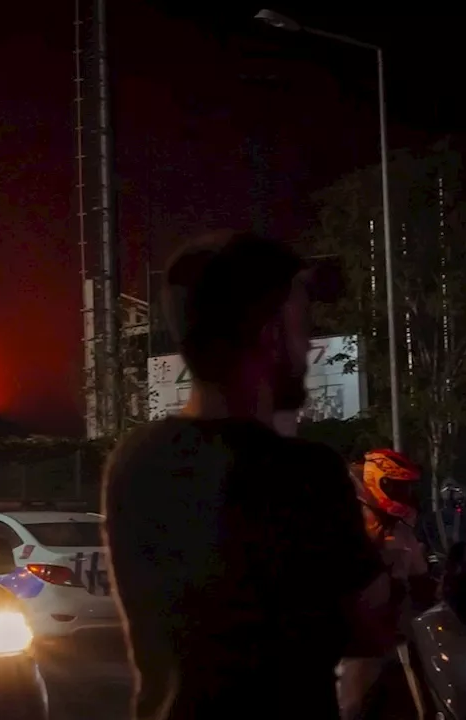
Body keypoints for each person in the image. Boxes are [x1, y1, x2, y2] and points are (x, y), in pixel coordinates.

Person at [103, 231, 400, 720]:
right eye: (303, 327)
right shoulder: (304, 473)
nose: (309, 349)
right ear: (269, 336)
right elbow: (368, 630)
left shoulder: (134, 462)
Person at [338, 449, 435, 720]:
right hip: (356, 636)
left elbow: (420, 571)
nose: (404, 494)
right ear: (378, 481)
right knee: (352, 704)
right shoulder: (345, 515)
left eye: (406, 488)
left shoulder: (397, 525)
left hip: (395, 632)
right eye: (398, 487)